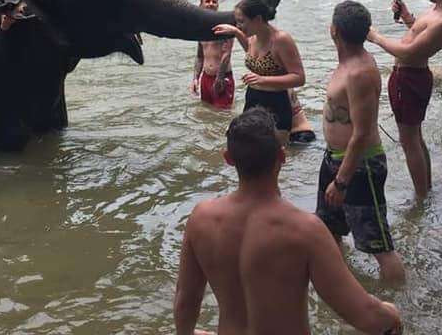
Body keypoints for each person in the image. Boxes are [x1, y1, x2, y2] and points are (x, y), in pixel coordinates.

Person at [173, 108, 403, 335]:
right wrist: (390, 314)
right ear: (282, 157)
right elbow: (363, 316)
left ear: (228, 159)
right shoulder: (304, 230)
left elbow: (186, 300)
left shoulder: (201, 219)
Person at [318, 1, 405, 284]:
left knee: (379, 246)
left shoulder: (359, 72)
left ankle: (396, 303)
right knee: (329, 229)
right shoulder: (347, 62)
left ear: (334, 31)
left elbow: (362, 133)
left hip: (359, 168)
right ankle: (342, 288)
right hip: (335, 159)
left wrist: (342, 181)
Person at [366, 0, 442, 200]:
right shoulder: (437, 10)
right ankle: (425, 189)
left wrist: (376, 37)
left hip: (410, 80)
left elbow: (407, 53)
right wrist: (408, 17)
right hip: (409, 79)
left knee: (409, 141)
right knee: (415, 137)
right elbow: (418, 33)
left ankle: (420, 199)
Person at [212, 0, 305, 144]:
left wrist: (263, 80)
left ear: (258, 19)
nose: (239, 25)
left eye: (242, 21)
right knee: (246, 148)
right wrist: (236, 32)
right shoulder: (254, 38)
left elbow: (299, 78)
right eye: (237, 22)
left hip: (276, 104)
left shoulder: (281, 40)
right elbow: (254, 58)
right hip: (252, 101)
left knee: (272, 154)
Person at [191, 0, 236, 108]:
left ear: (217, 5)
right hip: (206, 78)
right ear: (200, 5)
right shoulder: (199, 28)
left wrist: (219, 78)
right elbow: (200, 56)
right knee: (207, 113)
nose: (211, 4)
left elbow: (227, 53)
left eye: (214, 2)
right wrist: (195, 78)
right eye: (207, 1)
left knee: (222, 114)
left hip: (222, 77)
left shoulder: (226, 26)